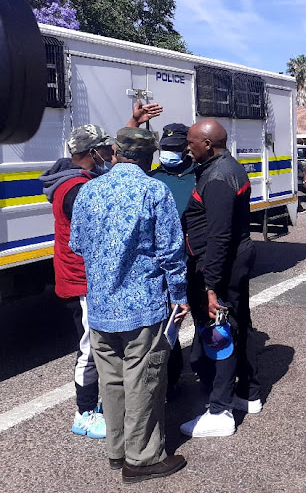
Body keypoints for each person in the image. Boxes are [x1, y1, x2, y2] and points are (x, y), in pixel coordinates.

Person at [69, 127, 189, 483]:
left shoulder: (88, 191)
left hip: (102, 306)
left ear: (115, 153)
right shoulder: (154, 191)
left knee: (113, 382)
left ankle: (117, 451)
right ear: (149, 156)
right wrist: (180, 296)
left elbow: (77, 243)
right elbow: (171, 252)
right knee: (144, 381)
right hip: (143, 307)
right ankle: (143, 458)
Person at [180, 119, 261, 438]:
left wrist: (210, 287)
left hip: (221, 267)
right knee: (237, 324)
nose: (188, 146)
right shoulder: (228, 167)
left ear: (208, 144)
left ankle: (220, 411)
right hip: (233, 261)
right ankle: (248, 394)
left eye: (191, 141)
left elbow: (219, 238)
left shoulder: (216, 178)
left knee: (219, 332)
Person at [40, 124, 116, 440]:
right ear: (91, 152)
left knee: (92, 342)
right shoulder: (75, 189)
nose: (111, 154)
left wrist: (135, 122)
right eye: (106, 149)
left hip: (80, 277)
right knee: (88, 347)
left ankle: (92, 405)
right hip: (81, 280)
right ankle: (84, 413)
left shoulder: (76, 179)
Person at [149, 123, 196, 398]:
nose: (168, 154)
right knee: (168, 321)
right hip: (162, 264)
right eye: (164, 149)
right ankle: (172, 377)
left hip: (192, 260)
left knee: (203, 316)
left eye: (174, 149)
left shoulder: (198, 177)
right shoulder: (153, 178)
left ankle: (211, 371)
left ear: (186, 149)